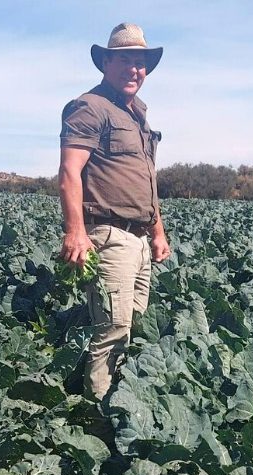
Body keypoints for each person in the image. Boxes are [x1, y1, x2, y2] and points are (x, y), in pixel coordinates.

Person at [58, 23, 171, 400]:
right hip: (109, 235)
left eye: (140, 63)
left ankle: (110, 399)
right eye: (125, 60)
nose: (134, 70)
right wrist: (75, 232)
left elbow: (145, 180)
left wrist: (157, 232)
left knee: (129, 323)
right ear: (106, 61)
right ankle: (98, 418)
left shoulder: (138, 114)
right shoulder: (90, 107)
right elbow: (70, 171)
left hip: (138, 238)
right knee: (112, 330)